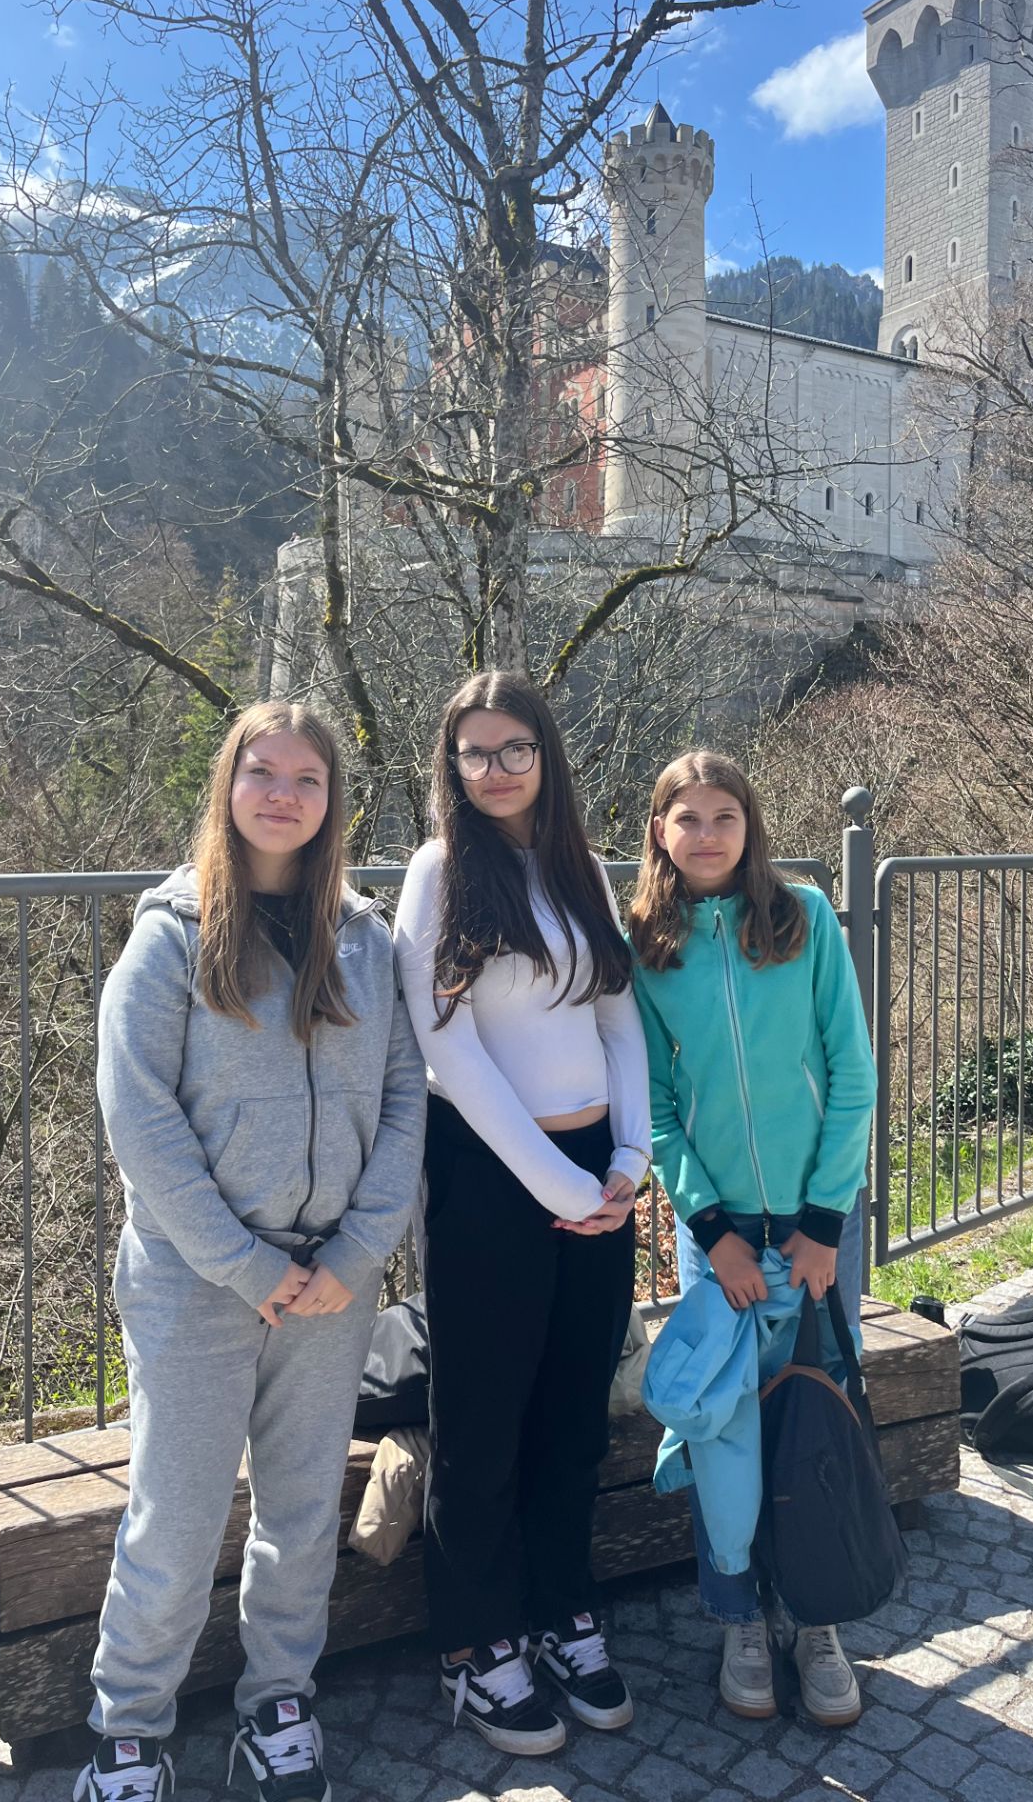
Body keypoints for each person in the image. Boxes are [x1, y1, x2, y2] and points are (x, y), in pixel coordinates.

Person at [75, 703, 426, 1802]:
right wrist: (247, 1264)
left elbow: (406, 1099)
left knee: (301, 1513)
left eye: (307, 778)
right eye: (262, 772)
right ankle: (129, 1733)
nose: (283, 794)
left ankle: (279, 1703)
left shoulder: (365, 941)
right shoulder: (171, 937)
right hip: (197, 1279)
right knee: (176, 1519)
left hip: (333, 1282)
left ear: (332, 800)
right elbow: (138, 1118)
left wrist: (359, 1250)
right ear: (228, 787)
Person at [392, 672, 652, 1756]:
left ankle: (560, 1610)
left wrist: (628, 1161)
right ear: (451, 766)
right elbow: (447, 1049)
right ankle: (478, 1642)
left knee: (572, 1414)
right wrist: (564, 1188)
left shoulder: (579, 866)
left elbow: (620, 1021)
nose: (494, 770)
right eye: (474, 752)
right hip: (493, 1178)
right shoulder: (438, 872)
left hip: (597, 1175)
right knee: (483, 1420)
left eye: (514, 749)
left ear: (547, 755)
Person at [627, 750, 876, 1729]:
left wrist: (822, 1224)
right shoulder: (647, 944)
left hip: (815, 1235)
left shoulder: (804, 918)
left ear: (750, 823)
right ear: (659, 831)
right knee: (722, 1428)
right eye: (686, 818)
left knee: (814, 1414)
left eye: (724, 815)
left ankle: (817, 1618)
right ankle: (739, 1619)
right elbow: (655, 1107)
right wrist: (710, 1231)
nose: (707, 834)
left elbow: (852, 1074)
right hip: (719, 1241)